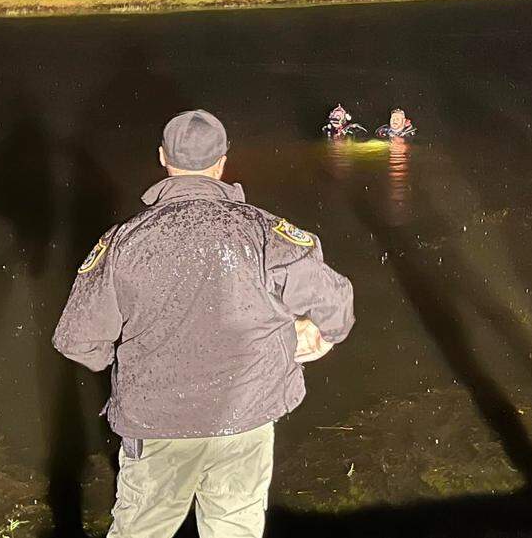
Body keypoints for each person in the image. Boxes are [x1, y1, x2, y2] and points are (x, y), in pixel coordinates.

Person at [52, 109, 355, 538]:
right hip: (246, 421)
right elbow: (336, 305)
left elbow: (78, 341)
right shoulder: (263, 230)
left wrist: (126, 358)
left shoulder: (123, 242)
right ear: (222, 161)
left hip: (157, 428)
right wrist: (311, 335)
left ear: (163, 158)